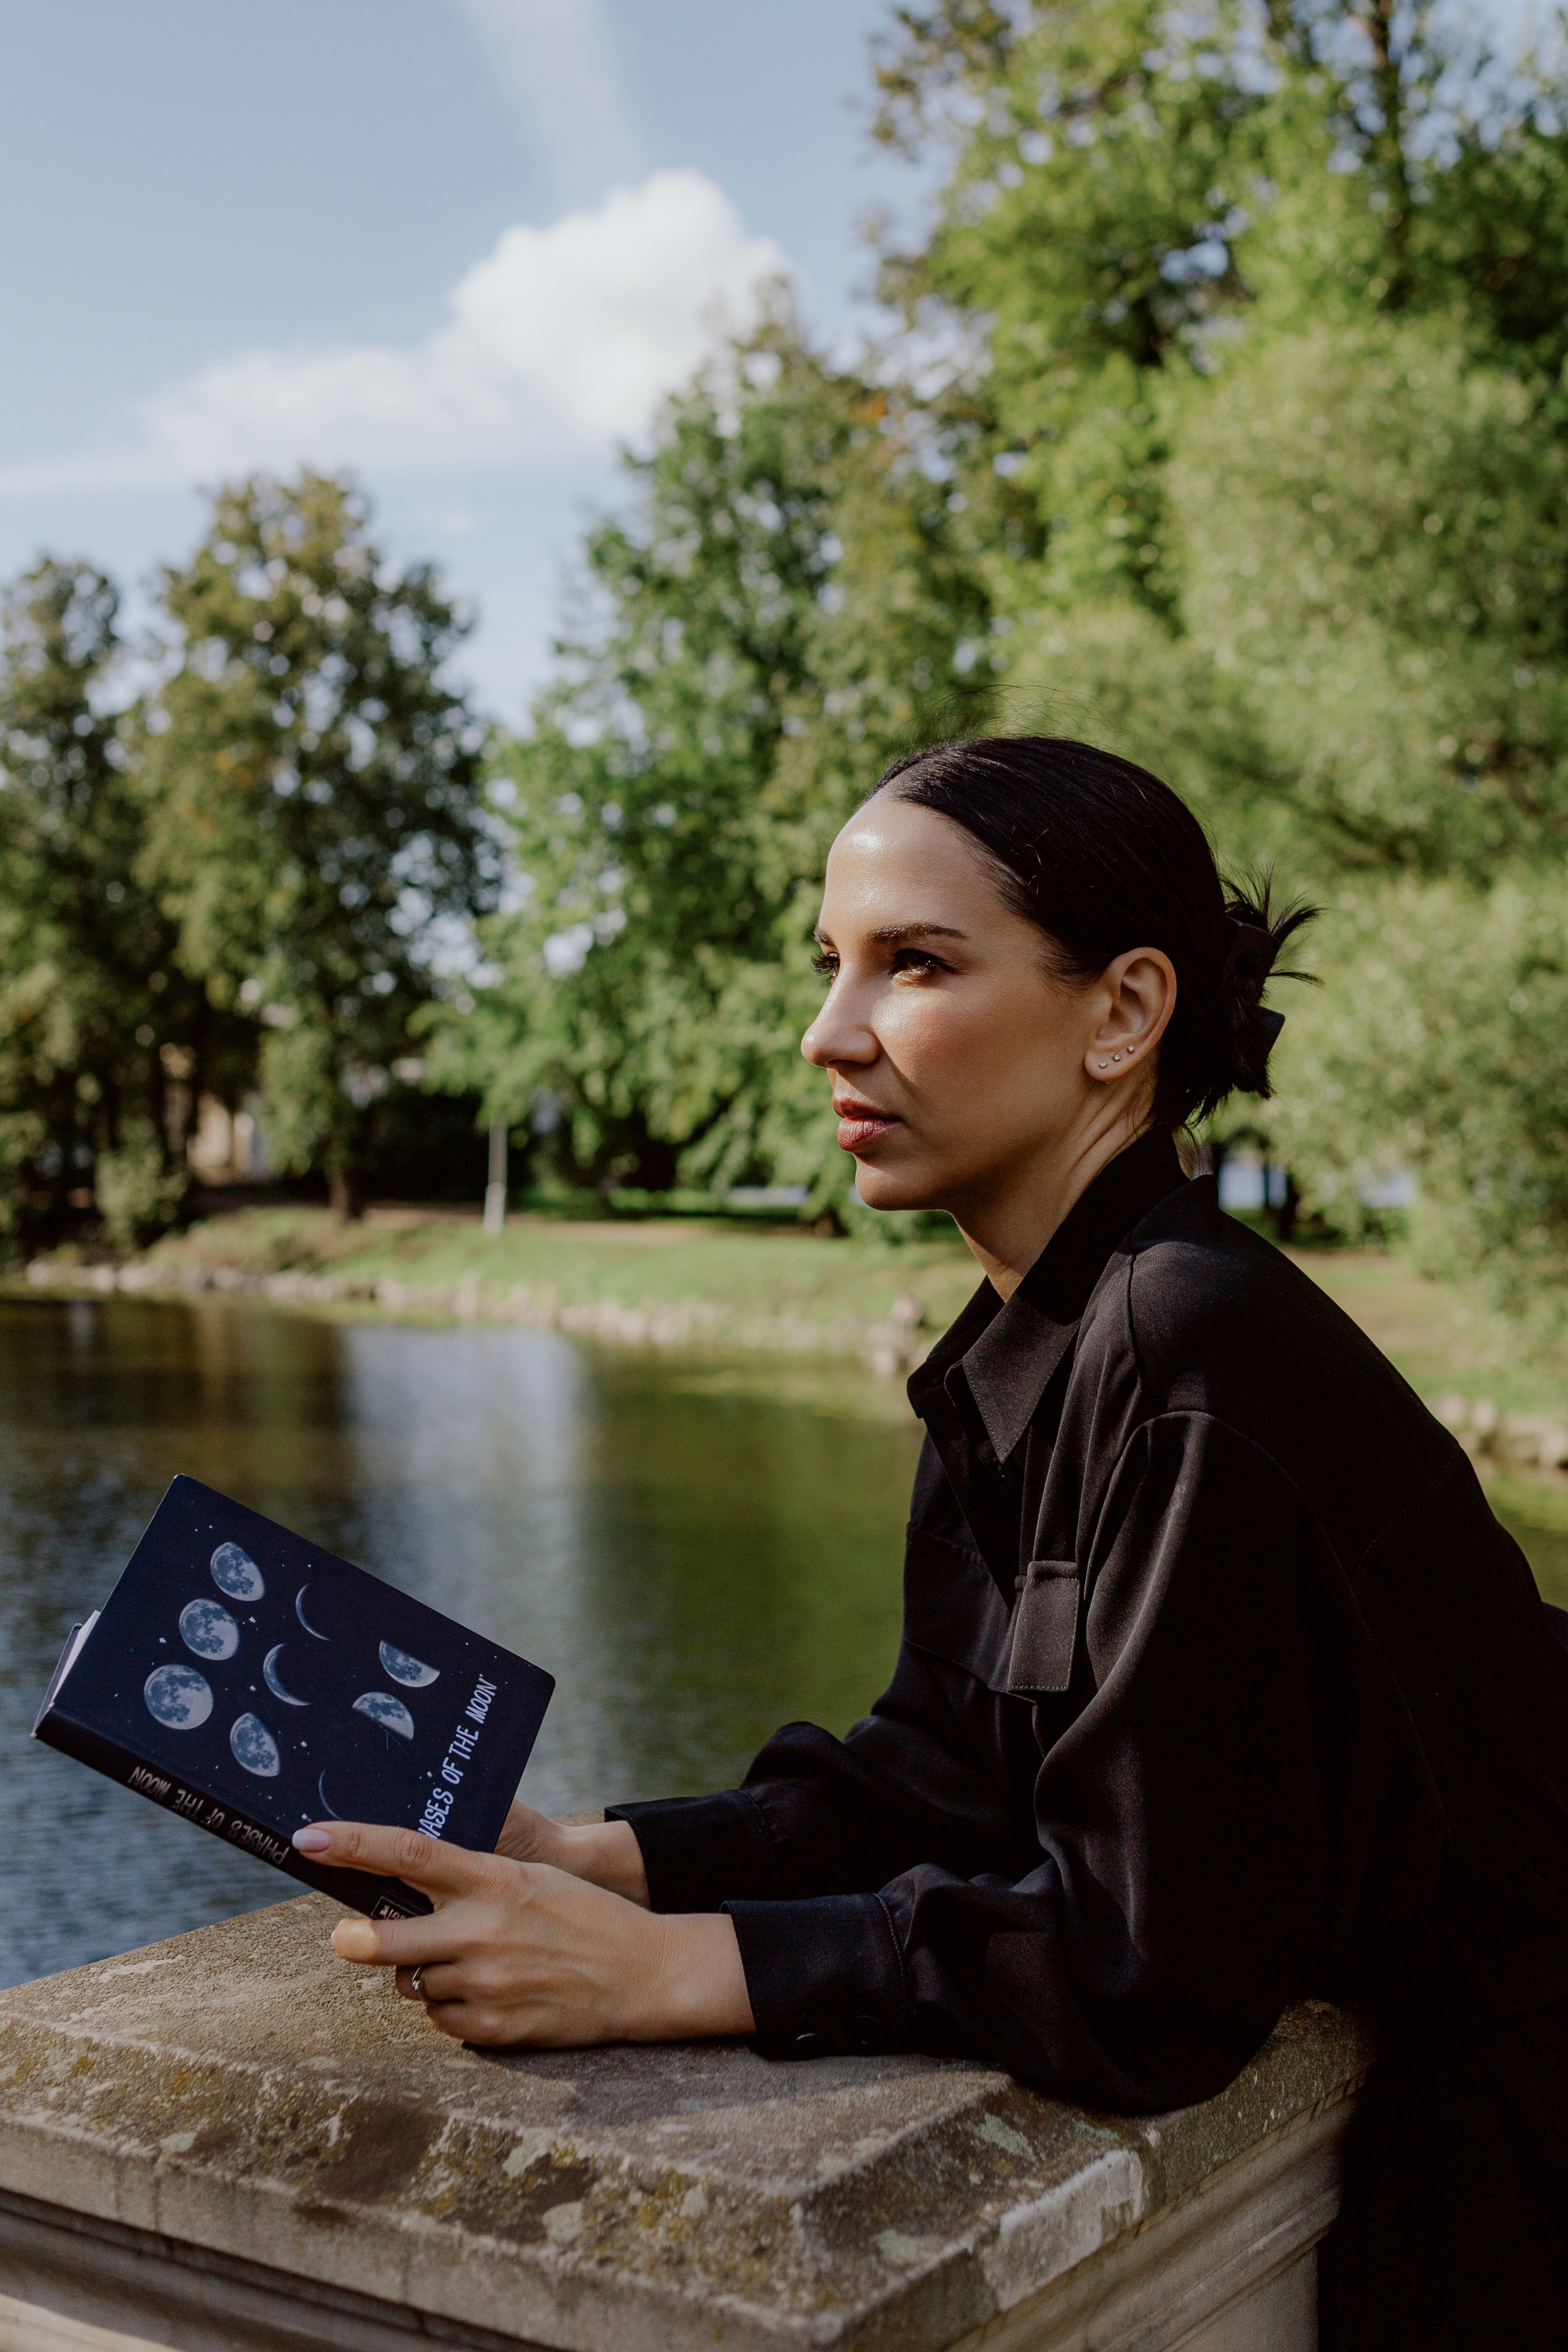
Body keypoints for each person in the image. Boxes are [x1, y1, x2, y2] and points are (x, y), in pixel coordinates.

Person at [295, 737, 1568, 2348]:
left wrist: (660, 1975)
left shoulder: (1196, 1350)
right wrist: (599, 1859)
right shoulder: (1027, 1337)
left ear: (1125, 1012)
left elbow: (1145, 1972)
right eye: (835, 966)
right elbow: (947, 1779)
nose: (831, 1034)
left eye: (915, 966)